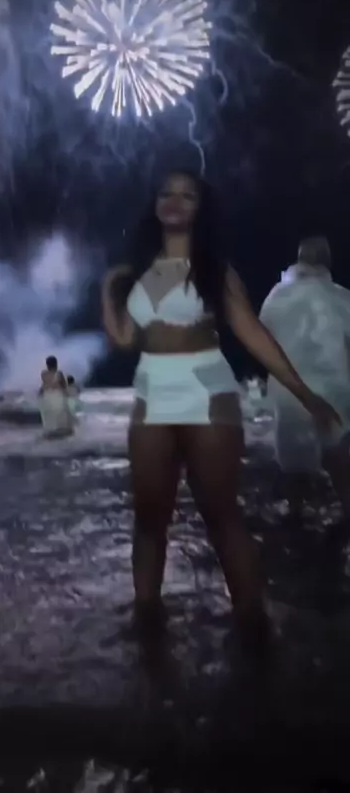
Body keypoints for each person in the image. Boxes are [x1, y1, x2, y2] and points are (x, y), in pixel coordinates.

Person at [101, 170, 340, 649]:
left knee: (220, 513)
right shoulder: (137, 271)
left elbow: (253, 334)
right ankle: (147, 625)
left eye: (187, 195)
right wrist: (109, 288)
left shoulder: (215, 270)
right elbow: (125, 339)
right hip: (151, 391)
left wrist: (304, 393)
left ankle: (253, 626)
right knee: (149, 518)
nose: (174, 201)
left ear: (200, 209)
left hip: (206, 390)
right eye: (166, 193)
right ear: (155, 204)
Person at [260, 236, 350, 514]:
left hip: (291, 388)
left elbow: (263, 336)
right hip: (334, 387)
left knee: (293, 459)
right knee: (338, 454)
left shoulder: (277, 295)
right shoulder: (341, 296)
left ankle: (295, 512)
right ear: (328, 262)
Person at [38, 356, 73, 437]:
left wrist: (40, 394)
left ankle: (50, 430)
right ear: (56, 364)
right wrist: (68, 394)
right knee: (62, 412)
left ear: (47, 365)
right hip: (57, 395)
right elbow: (63, 386)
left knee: (49, 414)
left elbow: (44, 385)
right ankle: (64, 429)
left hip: (47, 395)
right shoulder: (59, 373)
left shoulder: (44, 374)